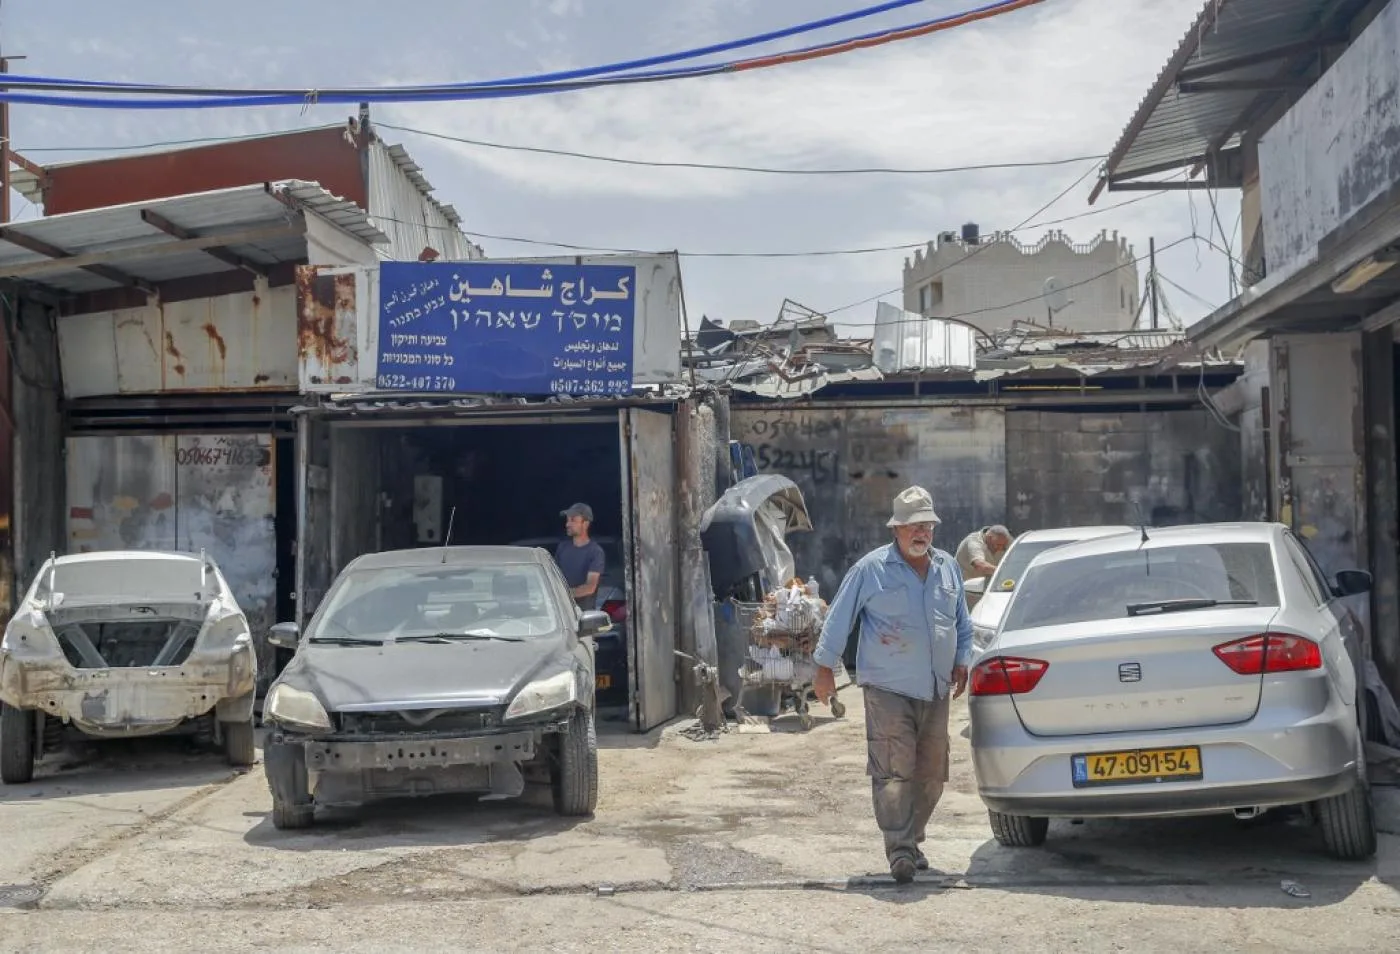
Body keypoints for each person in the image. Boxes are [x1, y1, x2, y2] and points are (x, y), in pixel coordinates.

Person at [812, 486, 973, 885]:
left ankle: (913, 838)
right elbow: (840, 618)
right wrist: (824, 666)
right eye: (913, 526)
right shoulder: (871, 569)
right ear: (896, 529)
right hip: (887, 688)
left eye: (928, 526)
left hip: (936, 688)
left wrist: (962, 660)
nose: (922, 533)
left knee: (932, 773)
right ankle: (899, 850)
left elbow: (962, 624)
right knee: (893, 770)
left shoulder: (948, 567)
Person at [555, 503, 605, 610]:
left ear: (585, 523)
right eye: (567, 520)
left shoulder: (595, 552)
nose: (567, 524)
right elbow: (554, 578)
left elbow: (590, 587)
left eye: (573, 520)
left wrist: (561, 595)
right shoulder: (562, 548)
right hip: (561, 614)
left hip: (584, 617)